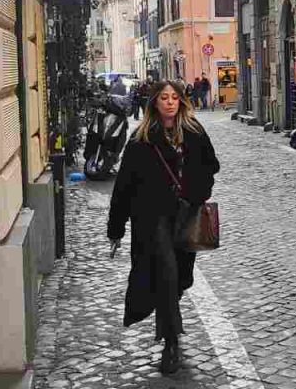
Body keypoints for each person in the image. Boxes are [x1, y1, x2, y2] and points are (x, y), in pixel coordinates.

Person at [107, 80, 220, 375]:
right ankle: (170, 342)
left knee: (180, 277)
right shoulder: (141, 138)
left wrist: (198, 192)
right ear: (154, 102)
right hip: (152, 219)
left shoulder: (194, 132)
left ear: (181, 101)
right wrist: (116, 228)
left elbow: (212, 166)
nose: (169, 102)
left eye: (174, 98)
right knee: (167, 275)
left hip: (185, 216)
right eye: (164, 98)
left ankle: (169, 314)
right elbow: (124, 187)